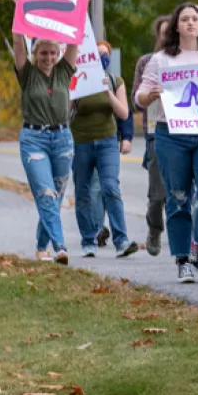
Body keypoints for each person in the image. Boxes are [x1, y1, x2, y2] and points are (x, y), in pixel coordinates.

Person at [135, 2, 198, 283]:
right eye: (185, 19)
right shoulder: (161, 59)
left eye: (195, 19)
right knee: (178, 197)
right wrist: (151, 95)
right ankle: (182, 260)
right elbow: (140, 96)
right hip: (171, 134)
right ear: (176, 25)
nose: (190, 23)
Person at [12, 0, 79, 264]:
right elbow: (17, 43)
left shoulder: (64, 70)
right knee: (46, 193)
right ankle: (60, 247)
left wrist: (82, 2)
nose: (49, 58)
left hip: (63, 138)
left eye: (53, 53)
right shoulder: (26, 74)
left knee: (56, 195)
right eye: (43, 53)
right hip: (34, 139)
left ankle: (42, 247)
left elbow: (75, 39)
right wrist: (18, 7)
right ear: (35, 53)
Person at [70, 39, 137, 259]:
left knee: (110, 187)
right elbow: (65, 112)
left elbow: (124, 114)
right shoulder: (76, 80)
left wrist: (106, 90)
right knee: (83, 192)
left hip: (107, 140)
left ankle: (121, 240)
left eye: (105, 54)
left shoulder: (115, 80)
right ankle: (88, 240)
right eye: (97, 54)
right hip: (81, 141)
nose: (102, 58)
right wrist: (77, 90)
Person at [134, 15, 172, 257]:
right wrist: (150, 96)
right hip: (156, 132)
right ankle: (155, 228)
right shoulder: (148, 62)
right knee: (158, 194)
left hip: (185, 131)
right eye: (164, 33)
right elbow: (136, 101)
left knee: (183, 193)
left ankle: (187, 239)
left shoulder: (191, 61)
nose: (168, 37)